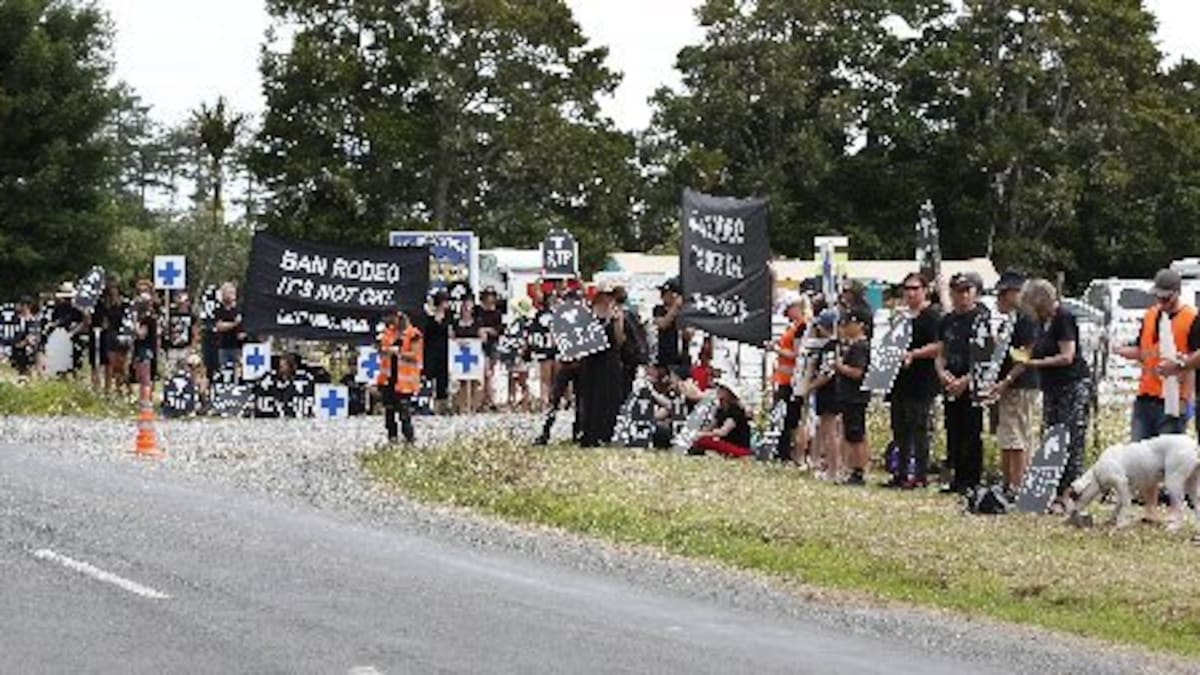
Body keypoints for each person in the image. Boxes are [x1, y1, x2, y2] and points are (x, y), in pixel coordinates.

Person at [1019, 278, 1091, 512]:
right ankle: (1053, 491)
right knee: (1052, 436)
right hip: (1051, 387)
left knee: (1071, 438)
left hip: (1073, 384)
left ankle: (1071, 495)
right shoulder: (1042, 322)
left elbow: (1067, 355)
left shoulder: (1064, 318)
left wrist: (1037, 363)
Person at [1117, 269, 1200, 440]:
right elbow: (1142, 350)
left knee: (1166, 461)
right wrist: (1117, 349)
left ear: (1177, 293)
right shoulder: (1150, 315)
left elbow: (1195, 360)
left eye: (1166, 298)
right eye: (1158, 297)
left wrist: (1185, 401)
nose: (1161, 301)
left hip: (1173, 401)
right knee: (1138, 456)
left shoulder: (1192, 318)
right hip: (1145, 397)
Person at [984, 271, 1041, 494]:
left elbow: (1025, 355)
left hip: (1020, 384)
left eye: (1003, 293)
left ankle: (1016, 485)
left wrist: (1006, 380)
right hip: (1013, 384)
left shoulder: (1026, 318)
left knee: (1015, 436)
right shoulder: (1014, 319)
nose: (999, 298)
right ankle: (1011, 482)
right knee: (1010, 434)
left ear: (1017, 293)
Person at [934, 272, 990, 494]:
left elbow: (986, 355)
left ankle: (972, 480)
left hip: (972, 382)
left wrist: (966, 380)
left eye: (967, 290)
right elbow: (941, 351)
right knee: (953, 430)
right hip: (950, 379)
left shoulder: (981, 318)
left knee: (971, 432)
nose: (962, 295)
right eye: (957, 291)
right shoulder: (947, 320)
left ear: (975, 292)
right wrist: (941, 371)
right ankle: (956, 477)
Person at [887, 272, 942, 489]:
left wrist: (913, 354)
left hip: (922, 381)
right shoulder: (901, 317)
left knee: (919, 429)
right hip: (900, 381)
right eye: (907, 288)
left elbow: (939, 346)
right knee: (899, 428)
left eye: (915, 288)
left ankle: (920, 475)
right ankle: (900, 473)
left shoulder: (932, 316)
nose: (910, 293)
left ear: (925, 290)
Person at [577, 285, 626, 448]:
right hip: (591, 358)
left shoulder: (616, 312)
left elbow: (619, 341)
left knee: (608, 397)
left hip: (609, 360)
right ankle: (588, 433)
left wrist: (617, 320)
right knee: (590, 397)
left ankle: (605, 434)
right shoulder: (589, 312)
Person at [769, 294, 810, 462]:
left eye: (788, 311)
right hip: (783, 377)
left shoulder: (802, 326)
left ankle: (789, 452)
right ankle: (784, 450)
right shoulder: (793, 326)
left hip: (791, 379)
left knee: (790, 418)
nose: (786, 315)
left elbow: (796, 353)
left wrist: (776, 349)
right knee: (784, 416)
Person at [835, 306, 872, 486]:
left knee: (855, 433)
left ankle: (858, 469)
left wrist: (839, 367)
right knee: (852, 432)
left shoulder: (860, 347)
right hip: (850, 395)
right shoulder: (853, 345)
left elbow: (858, 372)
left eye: (849, 323)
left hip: (855, 396)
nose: (845, 327)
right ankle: (853, 467)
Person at [378, 309, 423, 444]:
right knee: (389, 412)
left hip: (404, 382)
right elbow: (382, 351)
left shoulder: (413, 334)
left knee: (404, 413)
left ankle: (409, 439)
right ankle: (392, 438)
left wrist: (399, 352)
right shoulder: (386, 333)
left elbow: (416, 356)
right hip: (388, 379)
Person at [804, 310, 840, 479]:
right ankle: (824, 463)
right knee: (827, 429)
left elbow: (827, 373)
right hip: (834, 391)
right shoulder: (837, 344)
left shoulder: (830, 347)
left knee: (830, 430)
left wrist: (810, 386)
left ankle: (833, 470)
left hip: (829, 392)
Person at [96, 282, 132, 397]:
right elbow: (103, 321)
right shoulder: (105, 304)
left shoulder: (125, 303)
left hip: (122, 334)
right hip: (110, 335)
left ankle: (124, 389)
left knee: (122, 365)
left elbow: (129, 319)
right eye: (111, 288)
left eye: (115, 288)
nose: (113, 291)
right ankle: (109, 390)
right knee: (110, 364)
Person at [528, 283, 559, 412]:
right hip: (546, 348)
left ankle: (553, 401)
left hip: (557, 348)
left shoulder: (560, 314)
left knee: (556, 377)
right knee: (546, 378)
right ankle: (545, 401)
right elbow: (534, 331)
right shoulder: (540, 315)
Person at [49, 282, 88, 377]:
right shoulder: (59, 308)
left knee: (75, 364)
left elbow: (85, 321)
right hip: (61, 337)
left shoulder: (78, 307)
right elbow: (55, 321)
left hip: (75, 337)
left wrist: (73, 332)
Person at [422, 290, 452, 414]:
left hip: (445, 349)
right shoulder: (429, 316)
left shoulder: (449, 316)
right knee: (429, 376)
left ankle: (442, 406)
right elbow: (427, 332)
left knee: (443, 378)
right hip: (431, 349)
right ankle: (428, 403)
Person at [653, 278, 690, 378]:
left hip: (682, 359)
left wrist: (682, 315)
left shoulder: (685, 312)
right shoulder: (658, 309)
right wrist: (676, 307)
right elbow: (663, 324)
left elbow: (688, 335)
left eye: (665, 292)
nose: (662, 295)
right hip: (664, 359)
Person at [475, 287, 504, 410]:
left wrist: (486, 330)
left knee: (489, 373)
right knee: (481, 373)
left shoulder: (497, 313)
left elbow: (498, 330)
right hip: (477, 346)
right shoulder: (477, 311)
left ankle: (488, 399)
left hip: (492, 345)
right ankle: (483, 399)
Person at [131, 291, 158, 403]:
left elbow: (142, 334)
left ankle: (146, 400)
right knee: (141, 377)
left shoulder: (147, 317)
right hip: (141, 348)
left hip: (145, 349)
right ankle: (143, 399)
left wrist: (134, 323)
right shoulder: (144, 316)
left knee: (145, 378)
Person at [213, 282, 244, 371]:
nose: (232, 295)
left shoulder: (239, 308)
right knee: (224, 371)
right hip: (224, 347)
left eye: (233, 292)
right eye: (230, 292)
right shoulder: (219, 309)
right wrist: (234, 323)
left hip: (238, 347)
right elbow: (220, 326)